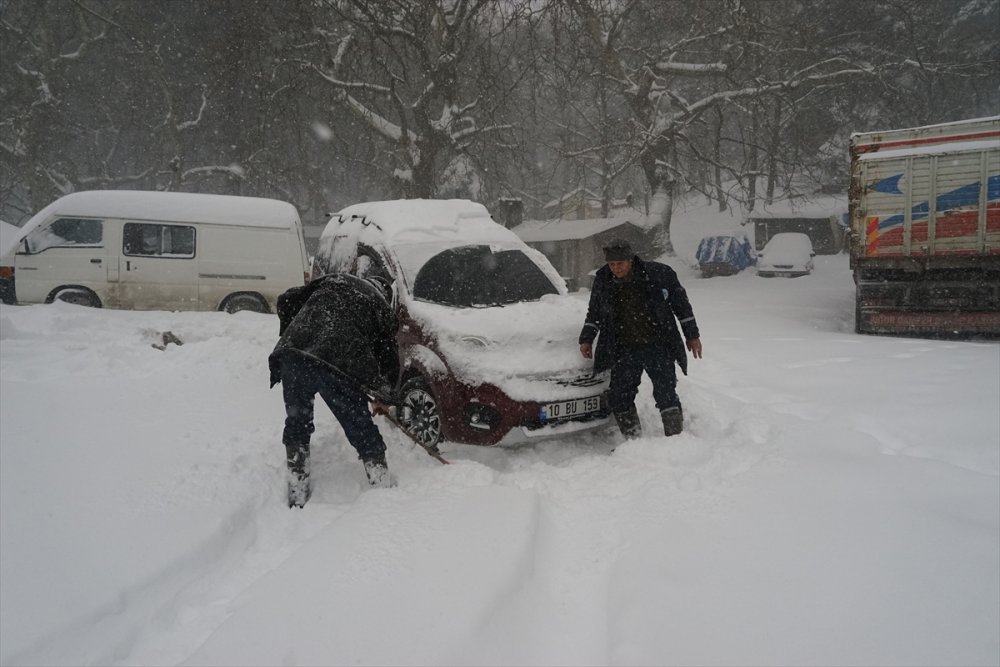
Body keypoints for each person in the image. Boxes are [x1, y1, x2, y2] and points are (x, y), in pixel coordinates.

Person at [269, 271, 400, 508]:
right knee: (358, 422)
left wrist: (294, 333)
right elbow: (389, 358)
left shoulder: (334, 280)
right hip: (335, 363)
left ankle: (297, 491)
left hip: (294, 356)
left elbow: (288, 298)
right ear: (385, 294)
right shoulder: (379, 305)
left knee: (297, 421)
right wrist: (383, 396)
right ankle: (381, 485)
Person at [579, 238, 702, 438]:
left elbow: (681, 305)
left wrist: (692, 335)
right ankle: (634, 440)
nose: (616, 268)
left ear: (631, 260)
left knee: (666, 394)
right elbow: (595, 312)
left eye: (620, 264)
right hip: (624, 348)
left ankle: (676, 439)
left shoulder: (659, 274)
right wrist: (586, 338)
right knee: (619, 396)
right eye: (612, 264)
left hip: (658, 345)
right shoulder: (603, 279)